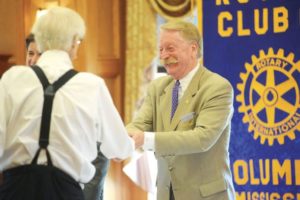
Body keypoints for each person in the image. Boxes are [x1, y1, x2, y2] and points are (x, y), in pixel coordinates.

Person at [0, 6, 134, 200]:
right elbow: (119, 148)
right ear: (73, 43)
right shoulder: (92, 86)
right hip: (65, 192)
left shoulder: (12, 78)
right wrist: (130, 142)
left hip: (15, 190)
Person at [127, 21, 236, 200]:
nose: (163, 56)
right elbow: (140, 124)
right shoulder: (157, 87)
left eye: (170, 48)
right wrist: (121, 140)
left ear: (193, 49)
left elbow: (202, 138)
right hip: (165, 193)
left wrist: (144, 139)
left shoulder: (218, 87)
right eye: (161, 49)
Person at [24, 33, 110, 200]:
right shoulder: (16, 93)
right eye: (30, 53)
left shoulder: (79, 90)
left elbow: (100, 149)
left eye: (40, 54)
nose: (33, 60)